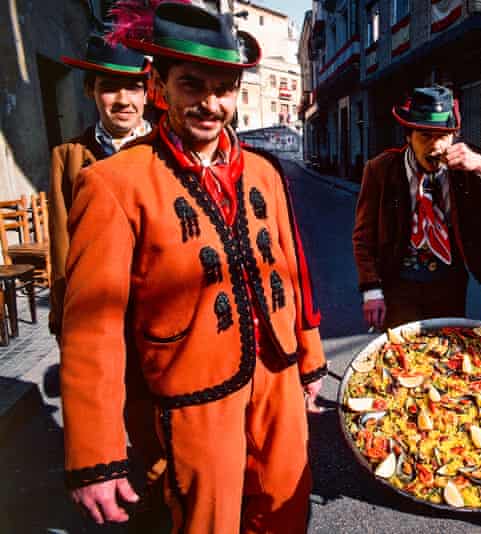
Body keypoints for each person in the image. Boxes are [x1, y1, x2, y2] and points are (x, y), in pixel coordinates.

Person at [60, 4, 326, 532]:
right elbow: (92, 326)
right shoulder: (114, 183)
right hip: (193, 396)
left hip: (277, 377)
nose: (211, 103)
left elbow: (291, 269)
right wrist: (96, 453)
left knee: (286, 507)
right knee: (209, 521)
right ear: (158, 86)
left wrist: (309, 357)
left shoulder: (264, 170)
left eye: (224, 88)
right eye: (192, 85)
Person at [353, 85, 481, 329]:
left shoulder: (468, 164)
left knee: (442, 356)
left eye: (442, 136)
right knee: (403, 358)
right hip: (399, 286)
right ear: (408, 136)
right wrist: (371, 289)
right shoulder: (380, 169)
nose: (434, 147)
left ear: (454, 137)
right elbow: (363, 237)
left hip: (450, 284)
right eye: (425, 136)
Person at [50, 34, 152, 337]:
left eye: (133, 87)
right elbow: (61, 244)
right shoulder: (68, 156)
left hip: (158, 311)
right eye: (109, 87)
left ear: (147, 93)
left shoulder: (167, 152)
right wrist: (62, 316)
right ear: (89, 90)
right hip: (98, 312)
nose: (123, 100)